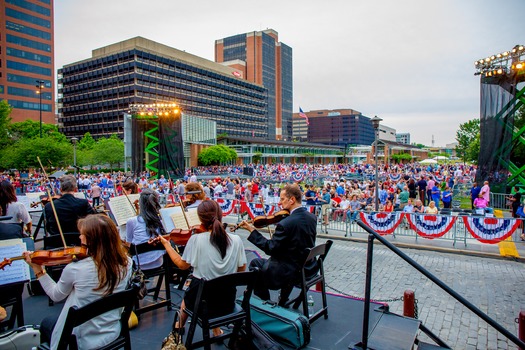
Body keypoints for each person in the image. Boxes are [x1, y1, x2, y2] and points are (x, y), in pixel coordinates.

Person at [23, 214, 132, 350]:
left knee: (46, 323)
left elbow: (56, 295)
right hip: (112, 330)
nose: (79, 238)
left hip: (83, 340)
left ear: (91, 241)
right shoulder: (127, 263)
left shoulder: (75, 269)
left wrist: (38, 269)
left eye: (82, 235)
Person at [158, 200, 246, 337]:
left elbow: (182, 265)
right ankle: (216, 330)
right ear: (220, 215)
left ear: (200, 219)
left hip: (200, 304)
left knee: (192, 291)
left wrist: (167, 245)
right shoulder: (236, 240)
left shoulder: (196, 240)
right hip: (227, 302)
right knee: (204, 288)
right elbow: (241, 270)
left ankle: (179, 325)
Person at [239, 184, 317, 302]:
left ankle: (266, 300)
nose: (280, 203)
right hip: (309, 268)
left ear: (292, 200)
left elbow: (270, 248)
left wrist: (252, 231)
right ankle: (283, 298)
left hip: (289, 272)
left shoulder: (286, 223)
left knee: (255, 264)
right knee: (261, 262)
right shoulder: (312, 217)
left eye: (282, 199)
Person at [125, 188, 166, 270]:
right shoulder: (161, 219)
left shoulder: (131, 221)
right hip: (159, 261)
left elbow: (128, 244)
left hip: (139, 265)